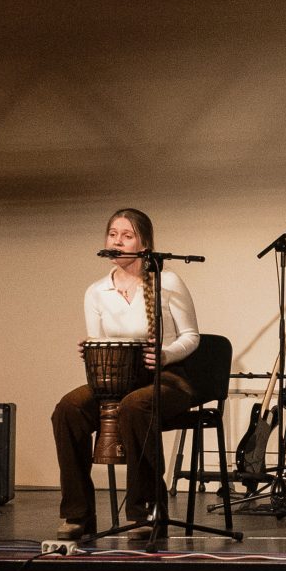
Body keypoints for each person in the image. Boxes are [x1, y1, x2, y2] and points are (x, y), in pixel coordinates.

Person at [51, 207, 200, 536]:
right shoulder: (96, 291)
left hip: (168, 378)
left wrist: (165, 354)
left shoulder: (167, 281)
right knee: (68, 409)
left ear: (144, 245)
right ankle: (77, 514)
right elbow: (101, 342)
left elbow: (192, 336)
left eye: (127, 235)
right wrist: (92, 350)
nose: (117, 241)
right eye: (113, 234)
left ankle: (144, 511)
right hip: (117, 380)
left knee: (135, 406)